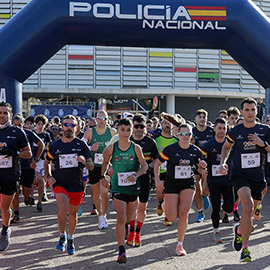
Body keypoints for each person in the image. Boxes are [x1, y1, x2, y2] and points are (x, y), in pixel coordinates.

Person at [219, 97, 270, 262]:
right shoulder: (235, 131)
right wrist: (223, 162)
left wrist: (263, 144)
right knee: (247, 208)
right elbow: (226, 147)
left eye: (253, 110)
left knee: (253, 209)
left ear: (256, 111)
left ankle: (240, 231)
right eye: (247, 110)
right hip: (239, 174)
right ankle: (245, 249)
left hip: (258, 176)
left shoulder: (265, 130)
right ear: (242, 112)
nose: (250, 113)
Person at [154, 123, 207, 256]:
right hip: (172, 184)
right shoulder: (170, 149)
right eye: (182, 134)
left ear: (191, 135)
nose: (185, 136)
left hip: (188, 184)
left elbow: (201, 168)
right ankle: (166, 205)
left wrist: (203, 167)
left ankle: (180, 244)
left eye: (188, 134)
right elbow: (157, 164)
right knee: (171, 216)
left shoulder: (195, 151)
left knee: (184, 213)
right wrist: (157, 180)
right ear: (178, 135)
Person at [44, 115, 94, 255]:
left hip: (76, 184)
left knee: (72, 214)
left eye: (72, 125)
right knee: (62, 208)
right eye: (66, 124)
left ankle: (70, 238)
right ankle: (61, 235)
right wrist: (49, 176)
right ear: (62, 126)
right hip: (60, 183)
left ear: (77, 128)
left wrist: (84, 160)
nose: (69, 128)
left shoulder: (81, 145)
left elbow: (91, 166)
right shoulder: (54, 145)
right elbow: (47, 161)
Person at [101, 118, 148, 263]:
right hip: (117, 188)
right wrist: (103, 176)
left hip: (133, 189)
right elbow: (105, 162)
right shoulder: (111, 148)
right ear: (118, 131)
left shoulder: (136, 148)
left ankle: (129, 228)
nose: (126, 133)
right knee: (121, 217)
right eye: (123, 130)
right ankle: (121, 250)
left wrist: (136, 174)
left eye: (128, 130)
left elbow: (144, 166)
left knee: (129, 217)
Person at [0, 102, 32, 252]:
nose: (2, 115)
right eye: (0, 113)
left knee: (4, 207)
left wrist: (16, 153)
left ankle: (5, 229)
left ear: (10, 115)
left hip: (9, 175)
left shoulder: (17, 132)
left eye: (5, 113)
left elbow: (28, 153)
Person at [127, 114, 159, 247]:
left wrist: (149, 166)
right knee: (130, 208)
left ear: (146, 127)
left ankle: (138, 232)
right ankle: (131, 231)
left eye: (142, 126)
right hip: (128, 179)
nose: (139, 129)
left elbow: (157, 159)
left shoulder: (151, 142)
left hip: (144, 178)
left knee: (142, 208)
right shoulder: (126, 140)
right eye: (136, 126)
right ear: (132, 127)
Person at [201, 118, 234, 243]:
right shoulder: (208, 145)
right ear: (214, 129)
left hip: (228, 180)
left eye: (224, 128)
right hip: (213, 180)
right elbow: (201, 160)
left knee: (230, 208)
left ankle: (223, 207)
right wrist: (203, 167)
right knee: (214, 207)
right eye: (219, 128)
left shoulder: (230, 144)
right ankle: (216, 230)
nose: (222, 131)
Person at [83, 110, 117, 229]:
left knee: (104, 191)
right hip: (94, 166)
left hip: (106, 165)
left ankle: (103, 215)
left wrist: (114, 164)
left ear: (108, 120)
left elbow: (119, 147)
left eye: (104, 119)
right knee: (96, 193)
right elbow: (82, 147)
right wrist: (90, 148)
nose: (102, 121)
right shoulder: (89, 132)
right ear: (96, 119)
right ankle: (99, 215)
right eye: (99, 118)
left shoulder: (112, 132)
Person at [11, 115, 44, 223]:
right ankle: (16, 214)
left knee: (26, 190)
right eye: (15, 125)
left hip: (28, 166)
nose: (17, 127)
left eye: (19, 125)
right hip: (14, 166)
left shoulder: (29, 133)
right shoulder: (9, 133)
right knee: (15, 190)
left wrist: (36, 160)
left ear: (23, 124)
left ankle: (27, 197)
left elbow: (41, 145)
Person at [154, 117, 179, 226]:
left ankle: (167, 217)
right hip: (160, 170)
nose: (167, 125)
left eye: (169, 123)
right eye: (165, 123)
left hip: (172, 172)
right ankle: (159, 203)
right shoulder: (156, 139)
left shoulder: (176, 140)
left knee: (169, 194)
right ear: (161, 125)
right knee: (160, 193)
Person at [192, 109, 214, 222]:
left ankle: (205, 196)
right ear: (196, 119)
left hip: (208, 164)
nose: (202, 119)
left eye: (204, 117)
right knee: (196, 188)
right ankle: (200, 213)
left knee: (205, 189)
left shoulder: (211, 131)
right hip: (195, 164)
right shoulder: (192, 131)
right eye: (199, 117)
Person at [33, 115, 52, 211]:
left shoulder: (46, 135)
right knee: (31, 181)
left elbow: (49, 147)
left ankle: (40, 201)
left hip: (41, 161)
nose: (40, 126)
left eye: (42, 124)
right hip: (31, 160)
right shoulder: (32, 134)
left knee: (40, 179)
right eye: (38, 124)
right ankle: (30, 196)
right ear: (35, 125)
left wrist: (47, 155)